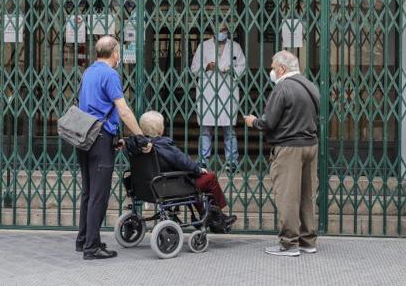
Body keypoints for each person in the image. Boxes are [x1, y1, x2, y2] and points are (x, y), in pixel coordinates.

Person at [75, 36, 148, 260]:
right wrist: (140, 136)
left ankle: (83, 239)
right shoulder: (110, 74)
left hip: (84, 137)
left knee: (89, 191)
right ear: (115, 52)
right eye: (119, 50)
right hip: (99, 139)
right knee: (99, 194)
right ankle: (92, 247)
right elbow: (123, 110)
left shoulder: (88, 72)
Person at [244, 50, 320, 257]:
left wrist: (253, 122)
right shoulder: (310, 86)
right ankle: (308, 241)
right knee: (307, 195)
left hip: (289, 148)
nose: (271, 71)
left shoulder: (283, 88)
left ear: (282, 68)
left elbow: (269, 121)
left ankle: (289, 243)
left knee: (288, 196)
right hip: (310, 145)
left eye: (272, 67)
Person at [136, 110, 237, 228]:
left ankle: (208, 214)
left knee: (197, 188)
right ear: (160, 129)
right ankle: (217, 216)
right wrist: (198, 170)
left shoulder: (138, 146)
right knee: (209, 178)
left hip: (147, 186)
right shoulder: (164, 145)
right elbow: (184, 162)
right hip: (169, 186)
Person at [191, 22, 246, 170]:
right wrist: (206, 67)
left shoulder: (236, 46)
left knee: (229, 129)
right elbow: (194, 68)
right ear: (213, 31)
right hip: (208, 91)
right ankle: (203, 160)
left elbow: (242, 66)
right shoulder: (203, 46)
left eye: (224, 30)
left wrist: (232, 69)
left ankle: (232, 161)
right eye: (219, 30)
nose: (222, 32)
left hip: (227, 91)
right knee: (205, 129)